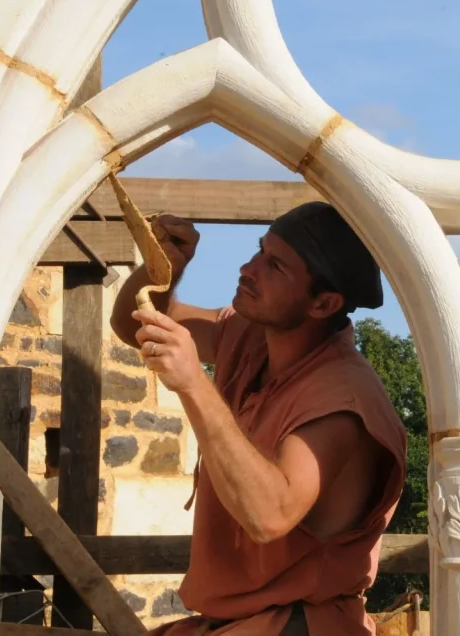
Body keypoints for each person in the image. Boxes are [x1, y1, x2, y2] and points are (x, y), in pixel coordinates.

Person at [110, 202, 408, 636]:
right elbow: (133, 323)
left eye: (276, 266)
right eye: (259, 251)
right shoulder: (250, 336)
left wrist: (194, 384)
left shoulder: (345, 398)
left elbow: (269, 515)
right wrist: (166, 268)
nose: (248, 268)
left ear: (324, 303)